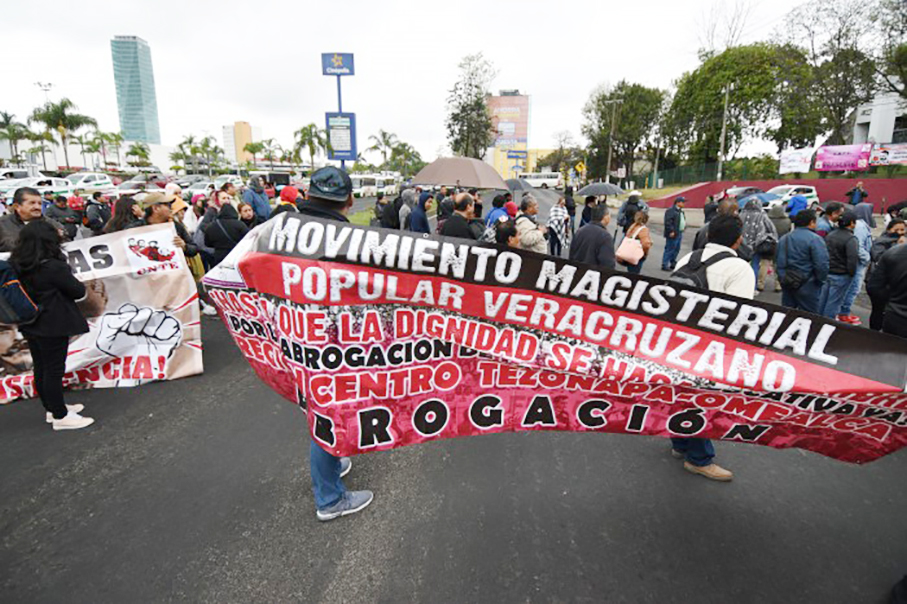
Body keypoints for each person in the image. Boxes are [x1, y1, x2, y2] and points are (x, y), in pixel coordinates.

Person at [290, 166, 373, 521]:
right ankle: (330, 500)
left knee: (318, 407)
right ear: (350, 201)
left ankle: (333, 464)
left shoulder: (281, 230)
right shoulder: (349, 242)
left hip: (295, 336)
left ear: (308, 196)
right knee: (328, 413)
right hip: (333, 342)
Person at [670, 214, 753, 482]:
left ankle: (680, 443)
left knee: (683, 392)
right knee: (704, 399)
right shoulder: (739, 268)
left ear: (708, 235)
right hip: (711, 347)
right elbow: (741, 317)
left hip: (679, 341)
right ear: (738, 240)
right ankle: (699, 459)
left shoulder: (688, 259)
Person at [11, 221, 94, 430]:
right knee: (54, 370)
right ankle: (60, 416)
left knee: (42, 367)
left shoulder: (17, 265)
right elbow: (77, 291)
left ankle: (52, 408)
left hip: (31, 322)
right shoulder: (53, 267)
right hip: (54, 323)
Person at [776, 209, 829, 314]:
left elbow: (778, 261)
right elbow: (821, 264)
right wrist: (820, 281)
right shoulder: (815, 239)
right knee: (809, 316)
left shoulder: (784, 238)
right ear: (811, 222)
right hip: (808, 283)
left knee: (787, 314)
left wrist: (782, 277)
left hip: (787, 281)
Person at [838, 203, 874, 325]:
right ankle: (844, 313)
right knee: (853, 289)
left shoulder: (859, 225)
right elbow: (858, 247)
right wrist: (867, 258)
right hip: (858, 263)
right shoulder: (860, 226)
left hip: (856, 261)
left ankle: (843, 312)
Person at [819, 211, 859, 320]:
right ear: (851, 223)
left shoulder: (830, 234)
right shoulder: (851, 239)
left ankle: (817, 321)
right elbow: (852, 259)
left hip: (828, 271)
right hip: (841, 274)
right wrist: (852, 274)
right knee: (834, 302)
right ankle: (828, 322)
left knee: (822, 300)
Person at [866, 219, 906, 330]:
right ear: (889, 229)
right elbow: (878, 258)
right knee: (878, 311)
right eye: (896, 230)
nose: (900, 232)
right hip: (880, 282)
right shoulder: (881, 242)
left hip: (894, 285)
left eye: (902, 229)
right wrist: (898, 247)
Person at [0, 187, 67, 251]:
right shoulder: (3, 224)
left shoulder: (51, 224)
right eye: (32, 203)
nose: (37, 207)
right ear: (17, 206)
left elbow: (65, 242)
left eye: (40, 203)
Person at [142, 192, 198, 259]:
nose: (171, 208)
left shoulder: (175, 226)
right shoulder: (136, 229)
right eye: (168, 205)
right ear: (156, 208)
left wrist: (184, 247)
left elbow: (194, 248)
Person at [740, 197, 778, 292]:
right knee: (755, 265)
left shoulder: (741, 215)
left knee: (741, 266)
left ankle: (741, 286)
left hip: (741, 245)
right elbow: (772, 230)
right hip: (757, 244)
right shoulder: (762, 215)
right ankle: (752, 288)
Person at [569, 205, 615, 269]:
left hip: (577, 271)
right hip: (593, 273)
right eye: (609, 215)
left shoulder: (580, 231)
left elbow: (571, 255)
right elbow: (607, 264)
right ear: (605, 217)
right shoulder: (605, 237)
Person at [204, 200, 249, 265]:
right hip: (236, 256)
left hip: (219, 258)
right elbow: (248, 238)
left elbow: (207, 243)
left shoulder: (211, 226)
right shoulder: (239, 224)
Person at [661, 196, 686, 271]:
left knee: (676, 249)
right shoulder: (671, 211)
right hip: (673, 233)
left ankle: (672, 262)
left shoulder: (680, 211)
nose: (684, 204)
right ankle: (665, 264)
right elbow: (668, 222)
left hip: (679, 232)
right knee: (670, 248)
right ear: (677, 203)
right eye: (682, 202)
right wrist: (671, 231)